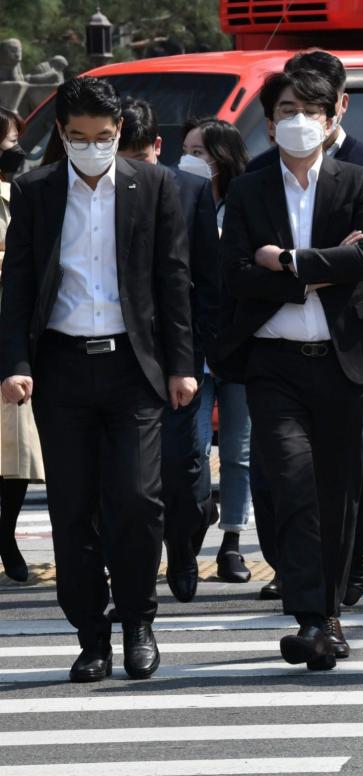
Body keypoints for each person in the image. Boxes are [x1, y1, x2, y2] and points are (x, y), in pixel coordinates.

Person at [1, 76, 197, 682]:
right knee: (72, 506)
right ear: (61, 133)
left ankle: (139, 619)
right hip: (60, 368)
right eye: (80, 137)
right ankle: (92, 634)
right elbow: (18, 288)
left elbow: (172, 281)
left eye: (105, 137)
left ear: (120, 135)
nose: (93, 146)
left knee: (138, 500)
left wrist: (182, 365)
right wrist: (15, 363)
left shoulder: (153, 186)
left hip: (132, 366)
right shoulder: (36, 191)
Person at [214, 69, 363, 670]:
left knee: (339, 492)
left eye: (312, 109)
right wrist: (321, 269)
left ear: (332, 118)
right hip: (275, 365)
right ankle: (311, 616)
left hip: (343, 362)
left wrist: (288, 262)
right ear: (270, 123)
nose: (301, 119)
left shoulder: (359, 179)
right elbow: (237, 274)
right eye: (289, 109)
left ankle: (327, 615)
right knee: (291, 484)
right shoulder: (249, 189)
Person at [116, 98, 221, 603]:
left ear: (160, 146)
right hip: (122, 357)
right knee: (131, 477)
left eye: (142, 154)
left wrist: (198, 352)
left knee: (186, 467)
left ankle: (184, 544)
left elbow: (207, 277)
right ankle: (136, 571)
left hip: (181, 358)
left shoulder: (192, 190)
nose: (133, 166)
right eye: (125, 155)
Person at [182, 116, 254, 583]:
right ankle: (190, 532)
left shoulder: (247, 201)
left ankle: (232, 542)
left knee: (239, 449)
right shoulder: (175, 199)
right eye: (186, 150)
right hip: (191, 346)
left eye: (201, 151)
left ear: (223, 157)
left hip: (240, 341)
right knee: (189, 449)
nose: (191, 160)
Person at [0, 106, 42, 583]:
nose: (14, 151)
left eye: (17, 141)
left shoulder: (25, 193)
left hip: (15, 330)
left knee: (16, 451)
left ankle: (6, 531)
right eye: (7, 143)